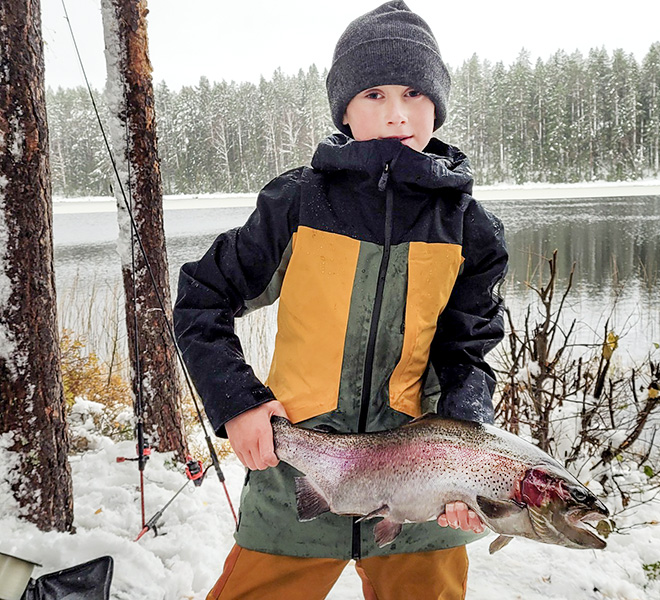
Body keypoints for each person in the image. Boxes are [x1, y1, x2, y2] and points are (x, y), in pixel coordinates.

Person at [174, 2, 507, 598]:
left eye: (413, 93)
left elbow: (469, 354)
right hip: (295, 472)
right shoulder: (298, 205)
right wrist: (238, 402)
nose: (397, 114)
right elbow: (201, 299)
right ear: (345, 108)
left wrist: (465, 461)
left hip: (419, 492)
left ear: (437, 103)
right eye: (373, 94)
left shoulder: (469, 228)